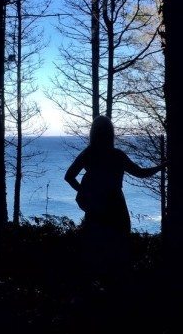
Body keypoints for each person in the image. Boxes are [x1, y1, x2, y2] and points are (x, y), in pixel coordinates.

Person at [64, 116, 166, 279]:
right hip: (116, 207)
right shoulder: (117, 155)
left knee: (95, 253)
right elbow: (140, 173)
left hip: (95, 208)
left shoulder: (88, 154)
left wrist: (85, 192)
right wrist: (161, 167)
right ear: (110, 133)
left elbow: (69, 176)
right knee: (118, 252)